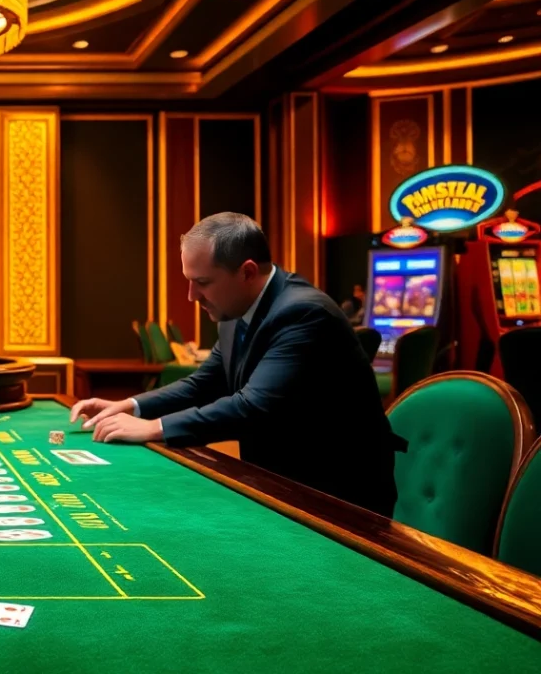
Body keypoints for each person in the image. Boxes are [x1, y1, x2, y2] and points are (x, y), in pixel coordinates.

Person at [70, 213, 402, 516]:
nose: (191, 296)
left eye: (202, 282)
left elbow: (254, 406)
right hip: (280, 487)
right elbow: (204, 383)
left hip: (340, 501)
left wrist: (155, 428)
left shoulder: (303, 313)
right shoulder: (235, 310)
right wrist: (129, 406)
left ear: (246, 272)